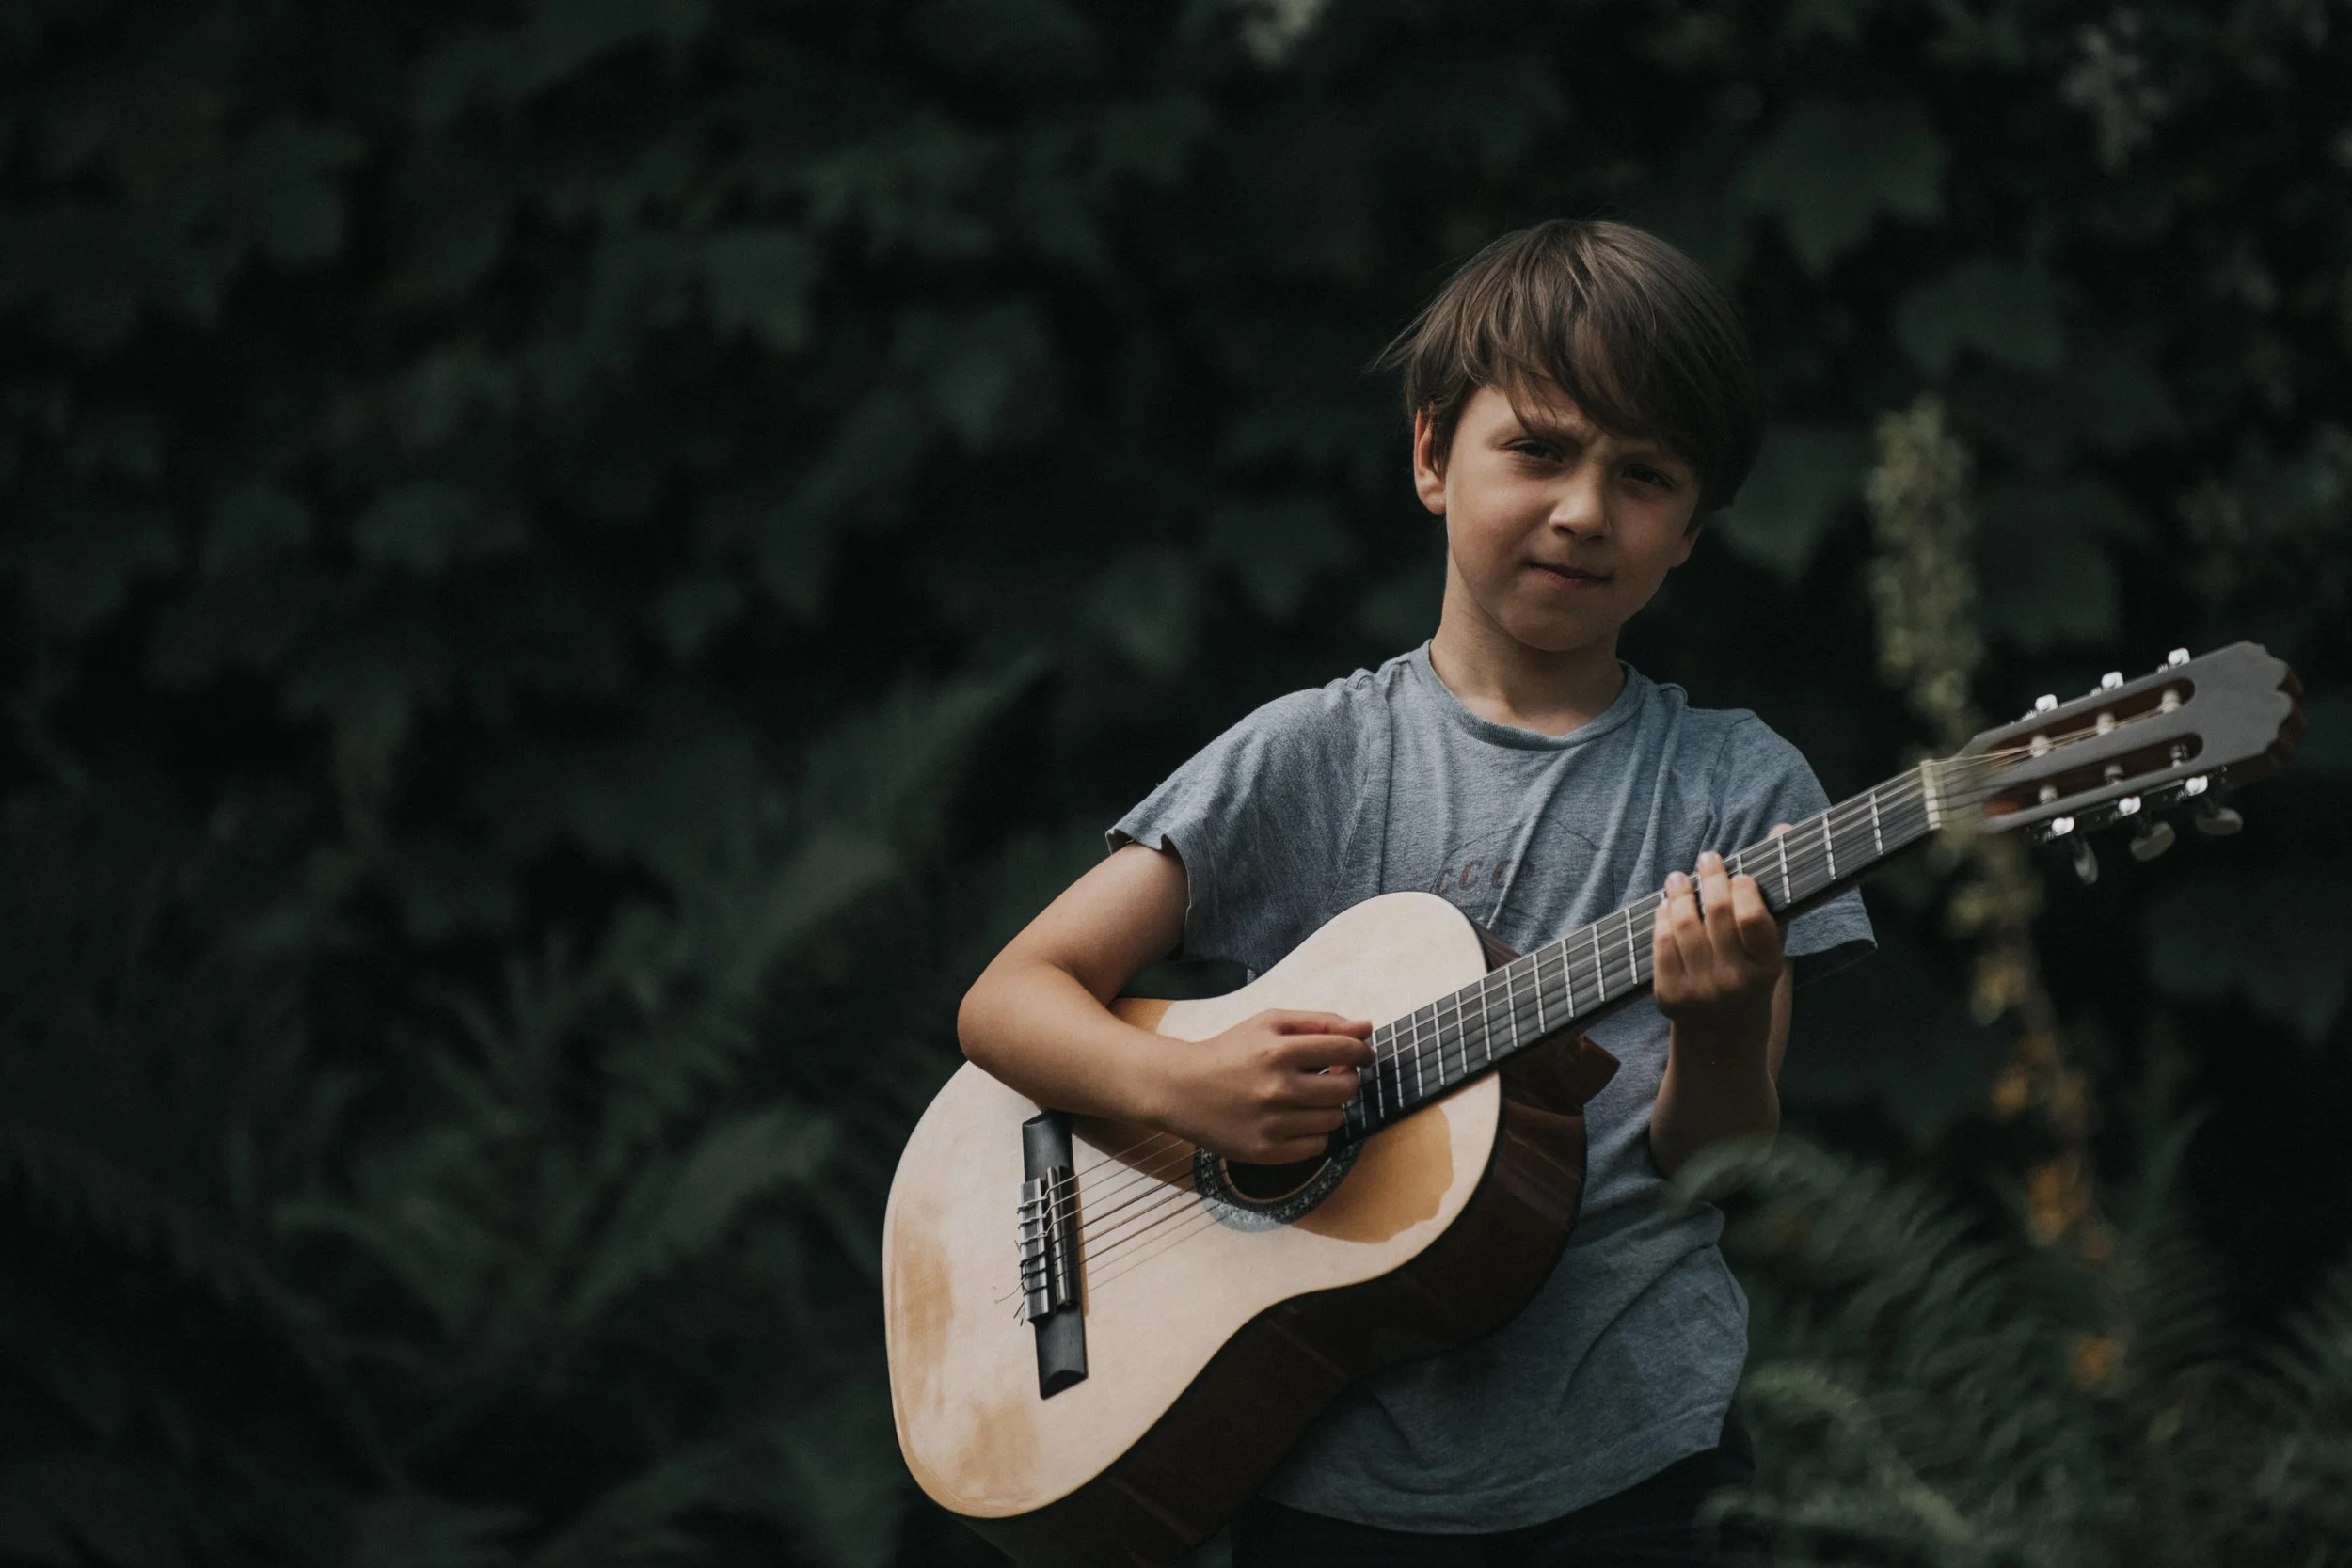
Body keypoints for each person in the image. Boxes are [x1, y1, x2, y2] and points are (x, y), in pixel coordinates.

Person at [956, 219, 1874, 1567]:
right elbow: (1007, 1000)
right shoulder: (1311, 754)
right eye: (1543, 448)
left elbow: (1713, 1159)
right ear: (1434, 450)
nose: (1583, 510)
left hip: (1635, 1464)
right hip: (1322, 1462)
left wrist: (1726, 1024)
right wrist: (1181, 1089)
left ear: (1689, 531)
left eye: (1645, 475)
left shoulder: (1739, 788)